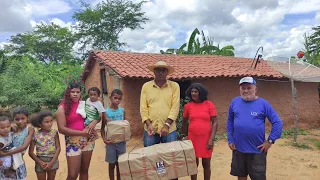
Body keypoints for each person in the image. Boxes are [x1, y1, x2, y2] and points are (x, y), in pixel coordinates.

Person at [226, 77, 283, 180]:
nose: (246, 90)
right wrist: (230, 138)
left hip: (257, 150)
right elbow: (230, 121)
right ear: (240, 89)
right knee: (241, 175)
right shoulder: (235, 102)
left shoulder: (263, 104)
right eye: (243, 88)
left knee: (258, 177)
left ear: (255, 89)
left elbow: (277, 122)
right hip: (238, 148)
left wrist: (270, 140)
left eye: (249, 87)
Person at [140, 61, 180, 179]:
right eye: (158, 70)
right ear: (154, 72)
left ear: (167, 72)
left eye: (163, 70)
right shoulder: (146, 86)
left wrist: (167, 125)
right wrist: (148, 124)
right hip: (150, 130)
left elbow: (175, 107)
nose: (160, 72)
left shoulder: (174, 86)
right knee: (151, 158)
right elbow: (143, 107)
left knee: (170, 158)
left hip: (170, 129)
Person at [56, 81, 95, 180]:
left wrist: (93, 124)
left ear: (80, 93)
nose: (75, 94)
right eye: (73, 92)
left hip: (88, 141)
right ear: (68, 93)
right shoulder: (62, 108)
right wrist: (82, 133)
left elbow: (96, 116)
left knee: (84, 171)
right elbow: (61, 129)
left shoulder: (85, 105)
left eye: (77, 92)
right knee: (72, 175)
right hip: (73, 142)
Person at [182, 83, 218, 180]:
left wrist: (211, 139)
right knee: (194, 164)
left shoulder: (209, 104)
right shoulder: (188, 106)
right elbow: (184, 121)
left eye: (196, 91)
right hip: (192, 139)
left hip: (206, 139)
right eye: (192, 91)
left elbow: (215, 122)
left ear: (201, 93)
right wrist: (183, 135)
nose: (193, 93)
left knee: (206, 164)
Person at [0, 107, 34, 179]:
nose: (20, 121)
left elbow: (24, 147)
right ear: (13, 120)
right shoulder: (10, 128)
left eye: (23, 118)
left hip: (18, 161)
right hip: (4, 162)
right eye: (17, 119)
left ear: (27, 118)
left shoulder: (29, 129)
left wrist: (6, 153)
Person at [101, 89, 126, 180]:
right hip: (110, 143)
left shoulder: (122, 111)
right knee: (111, 164)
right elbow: (102, 128)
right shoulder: (106, 112)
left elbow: (125, 126)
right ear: (110, 98)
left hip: (121, 143)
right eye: (115, 98)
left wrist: (126, 136)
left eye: (119, 99)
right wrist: (104, 139)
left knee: (120, 164)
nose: (117, 100)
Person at [29, 110, 61, 180]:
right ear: (39, 124)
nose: (50, 124)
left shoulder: (54, 133)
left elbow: (58, 148)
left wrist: (52, 162)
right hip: (40, 160)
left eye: (51, 121)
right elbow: (30, 152)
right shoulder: (35, 134)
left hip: (53, 159)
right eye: (46, 122)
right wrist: (40, 162)